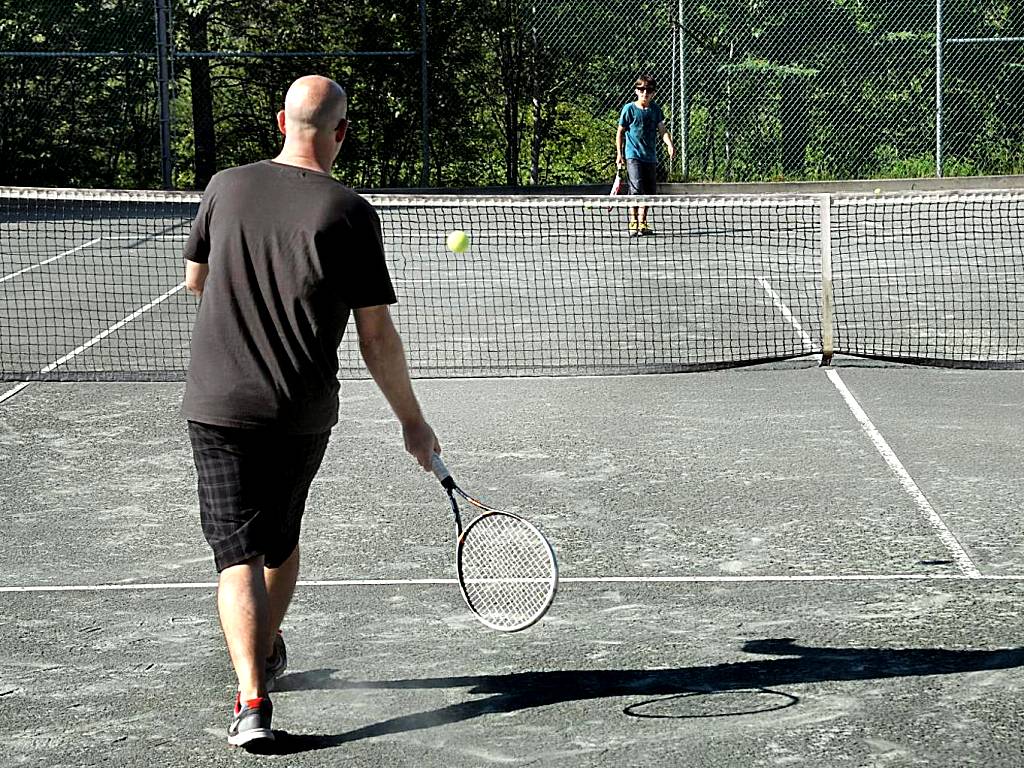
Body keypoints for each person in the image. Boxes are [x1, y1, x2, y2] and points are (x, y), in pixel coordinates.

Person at [181, 74, 440, 749]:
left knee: (236, 554)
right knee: (280, 541)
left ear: (279, 121)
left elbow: (194, 282)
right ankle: (263, 653)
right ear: (342, 134)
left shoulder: (223, 186)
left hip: (217, 404)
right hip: (301, 407)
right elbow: (376, 335)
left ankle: (251, 697)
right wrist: (412, 420)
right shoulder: (350, 211)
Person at [615, 74, 675, 236]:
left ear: (653, 93)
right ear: (636, 91)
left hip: (650, 157)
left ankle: (642, 222)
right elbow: (620, 132)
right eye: (641, 89)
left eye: (648, 90)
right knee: (635, 189)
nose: (645, 93)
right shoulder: (629, 109)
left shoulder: (656, 110)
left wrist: (669, 144)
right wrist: (619, 154)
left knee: (649, 192)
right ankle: (633, 222)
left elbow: (662, 130)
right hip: (633, 155)